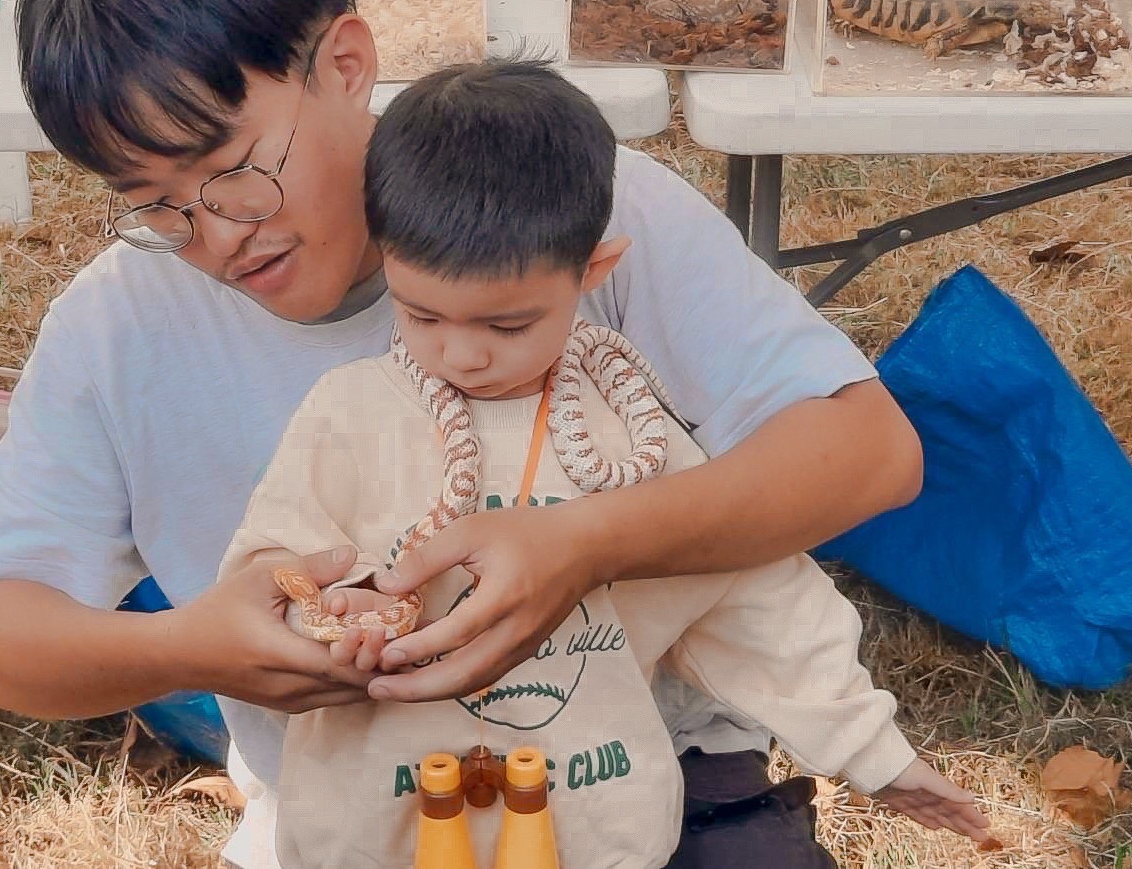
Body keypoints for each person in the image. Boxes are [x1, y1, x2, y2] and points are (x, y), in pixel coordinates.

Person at [0, 0, 929, 867]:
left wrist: (587, 543)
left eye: (230, 171)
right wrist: (190, 646)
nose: (216, 234)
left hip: (656, 783)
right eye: (154, 205)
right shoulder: (120, 327)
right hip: (365, 813)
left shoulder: (548, 198)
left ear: (346, 67)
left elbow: (866, 449)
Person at [216, 59, 993, 867]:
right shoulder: (348, 415)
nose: (463, 353)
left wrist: (872, 752)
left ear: (593, 272)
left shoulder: (630, 433)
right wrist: (328, 609)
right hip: (374, 830)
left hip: (593, 828)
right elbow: (271, 567)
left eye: (508, 325)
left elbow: (755, 602)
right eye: (422, 315)